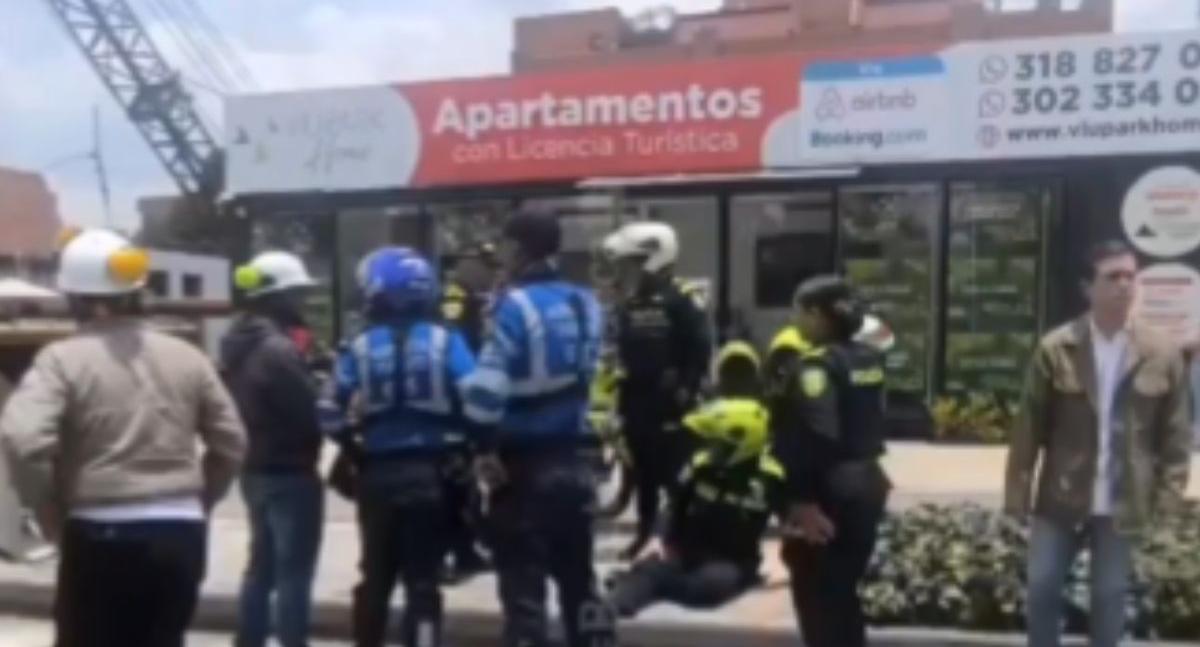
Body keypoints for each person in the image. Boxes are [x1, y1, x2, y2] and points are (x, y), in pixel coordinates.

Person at [0, 228, 247, 647]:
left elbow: (22, 438)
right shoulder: (188, 356)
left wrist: (47, 510)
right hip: (181, 535)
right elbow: (232, 442)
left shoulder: (61, 359)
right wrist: (199, 500)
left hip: (100, 535)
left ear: (76, 298)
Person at [1006, 240, 1191, 647]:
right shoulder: (1057, 348)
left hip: (1124, 499)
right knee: (1042, 586)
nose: (1124, 285)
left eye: (1130, 276)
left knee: (1110, 596)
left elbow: (1176, 435)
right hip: (1062, 495)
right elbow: (1028, 428)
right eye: (1112, 277)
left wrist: (1169, 498)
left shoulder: (1161, 353)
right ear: (1087, 287)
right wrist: (1017, 496)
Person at [463, 211, 617, 647]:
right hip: (575, 461)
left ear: (519, 249)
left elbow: (486, 392)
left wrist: (482, 446)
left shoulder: (513, 306)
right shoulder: (586, 302)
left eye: (505, 247)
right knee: (579, 583)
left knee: (524, 596)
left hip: (523, 469)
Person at [336, 247, 477, 647]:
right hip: (431, 474)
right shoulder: (446, 341)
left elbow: (328, 409)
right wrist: (472, 443)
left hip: (377, 474)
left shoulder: (360, 346)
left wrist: (352, 448)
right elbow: (478, 396)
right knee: (423, 582)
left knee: (375, 578)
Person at [607, 341, 783, 618]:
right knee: (651, 573)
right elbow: (675, 502)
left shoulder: (769, 473)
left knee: (707, 585)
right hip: (688, 551)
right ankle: (625, 597)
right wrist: (660, 538)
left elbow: (794, 517)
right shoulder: (700, 462)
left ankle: (652, 584)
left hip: (730, 560)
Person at [768, 275, 890, 647]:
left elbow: (818, 433)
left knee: (816, 596)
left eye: (799, 312)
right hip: (866, 482)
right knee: (842, 595)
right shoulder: (867, 358)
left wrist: (803, 500)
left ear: (818, 316)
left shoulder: (815, 367)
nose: (794, 320)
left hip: (827, 493)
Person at [223, 250, 326, 647]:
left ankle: (249, 639)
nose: (302, 302)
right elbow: (308, 411)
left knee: (261, 566)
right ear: (277, 298)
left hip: (254, 468)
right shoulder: (278, 350)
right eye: (296, 294)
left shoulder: (236, 343)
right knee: (293, 573)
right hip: (290, 471)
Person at [604, 221, 712, 560]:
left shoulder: (683, 297)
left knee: (676, 476)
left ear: (654, 257)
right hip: (637, 402)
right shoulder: (631, 302)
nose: (626, 270)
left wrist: (686, 388)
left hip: (671, 403)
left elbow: (700, 347)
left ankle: (681, 539)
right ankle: (645, 533)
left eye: (632, 262)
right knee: (642, 475)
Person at [439, 243, 497, 581]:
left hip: (472, 383)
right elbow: (455, 341)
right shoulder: (455, 296)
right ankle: (453, 552)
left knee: (468, 478)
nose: (489, 272)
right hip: (457, 390)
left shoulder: (477, 296)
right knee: (456, 477)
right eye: (483, 264)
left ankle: (466, 550)